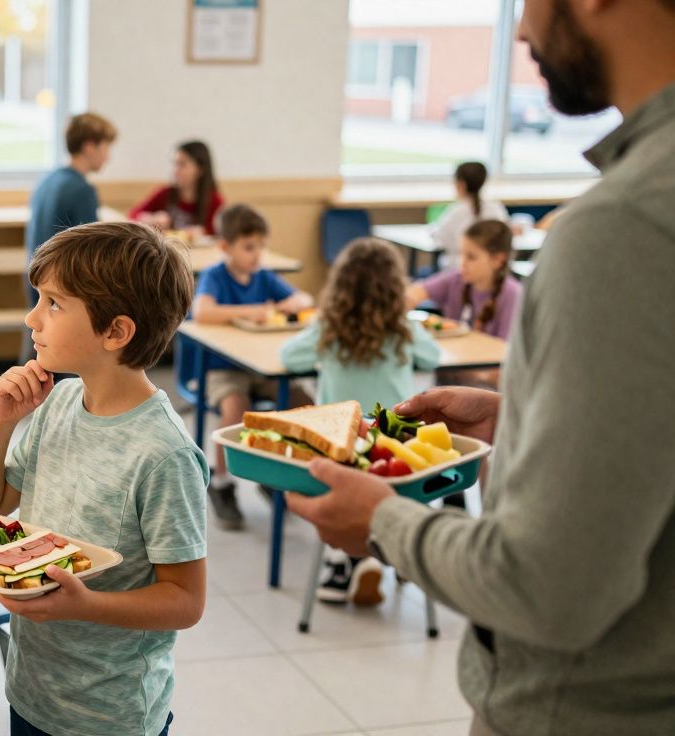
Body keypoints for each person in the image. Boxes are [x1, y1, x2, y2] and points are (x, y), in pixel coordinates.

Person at [286, 1, 675, 733]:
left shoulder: (622, 226)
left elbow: (549, 587)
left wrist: (383, 521)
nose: (521, 30)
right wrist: (530, 417)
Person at [0, 222, 206, 736]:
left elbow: (185, 601)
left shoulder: (164, 454)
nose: (32, 318)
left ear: (115, 332)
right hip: (32, 688)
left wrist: (86, 605)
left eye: (53, 303)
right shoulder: (59, 404)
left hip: (110, 715)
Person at [280, 237, 440, 605]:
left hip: (342, 439)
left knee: (339, 480)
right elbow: (433, 357)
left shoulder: (329, 329)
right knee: (388, 474)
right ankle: (385, 550)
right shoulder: (403, 327)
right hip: (394, 439)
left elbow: (288, 357)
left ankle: (345, 559)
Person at [191, 204, 312, 527]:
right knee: (236, 408)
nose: (257, 254)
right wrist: (250, 310)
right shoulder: (216, 276)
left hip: (261, 367)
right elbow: (202, 312)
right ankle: (221, 483)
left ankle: (277, 472)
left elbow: (303, 300)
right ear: (225, 247)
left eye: (261, 246)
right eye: (248, 247)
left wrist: (288, 304)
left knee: (303, 402)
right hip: (222, 369)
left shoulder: (263, 276)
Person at [408, 219, 520, 388]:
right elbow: (415, 293)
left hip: (486, 392)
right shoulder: (456, 281)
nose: (463, 263)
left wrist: (464, 367)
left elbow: (504, 363)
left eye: (471, 257)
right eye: (462, 255)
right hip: (449, 386)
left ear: (498, 260)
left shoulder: (512, 295)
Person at [24, 112, 117, 305]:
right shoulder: (81, 189)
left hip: (39, 282)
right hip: (64, 289)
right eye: (106, 148)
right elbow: (91, 251)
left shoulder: (48, 180)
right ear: (90, 147)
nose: (108, 157)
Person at [127, 140, 223, 236]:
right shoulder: (165, 193)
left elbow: (220, 232)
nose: (175, 170)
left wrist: (204, 232)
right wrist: (152, 219)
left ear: (200, 169)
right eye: (175, 164)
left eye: (182, 164)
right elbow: (133, 215)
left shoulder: (214, 201)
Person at [429, 161, 509, 269]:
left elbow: (439, 238)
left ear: (461, 184)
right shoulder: (496, 208)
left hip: (457, 269)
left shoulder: (456, 211)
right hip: (490, 269)